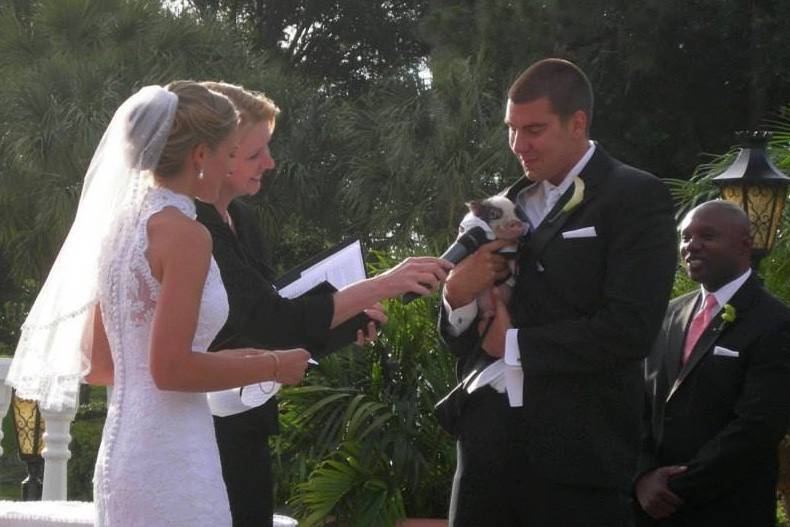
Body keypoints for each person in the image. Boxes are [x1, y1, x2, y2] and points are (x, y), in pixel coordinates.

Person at [6, 82, 311, 527]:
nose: (231, 166)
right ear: (200, 156)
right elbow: (170, 370)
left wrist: (227, 360)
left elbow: (100, 365)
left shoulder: (120, 230)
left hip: (123, 450)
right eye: (229, 153)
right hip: (174, 453)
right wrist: (272, 365)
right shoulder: (186, 235)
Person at [195, 81, 454, 527]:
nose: (270, 163)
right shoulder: (191, 228)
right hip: (198, 426)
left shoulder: (242, 219)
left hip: (248, 421)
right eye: (258, 153)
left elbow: (271, 327)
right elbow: (267, 322)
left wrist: (343, 324)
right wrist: (380, 285)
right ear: (222, 151)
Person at [438, 58, 678, 526]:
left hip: (577, 458)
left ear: (578, 123)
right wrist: (456, 296)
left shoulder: (634, 196)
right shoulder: (502, 205)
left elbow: (631, 329)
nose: (518, 145)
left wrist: (515, 346)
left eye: (534, 130)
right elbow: (456, 339)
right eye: (511, 129)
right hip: (485, 452)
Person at [635, 200, 790, 526]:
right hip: (651, 507)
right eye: (685, 237)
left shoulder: (776, 322)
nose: (691, 245)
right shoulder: (670, 314)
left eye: (707, 235)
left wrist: (676, 487)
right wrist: (643, 474)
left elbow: (758, 426)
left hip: (727, 507)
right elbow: (640, 400)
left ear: (745, 244)